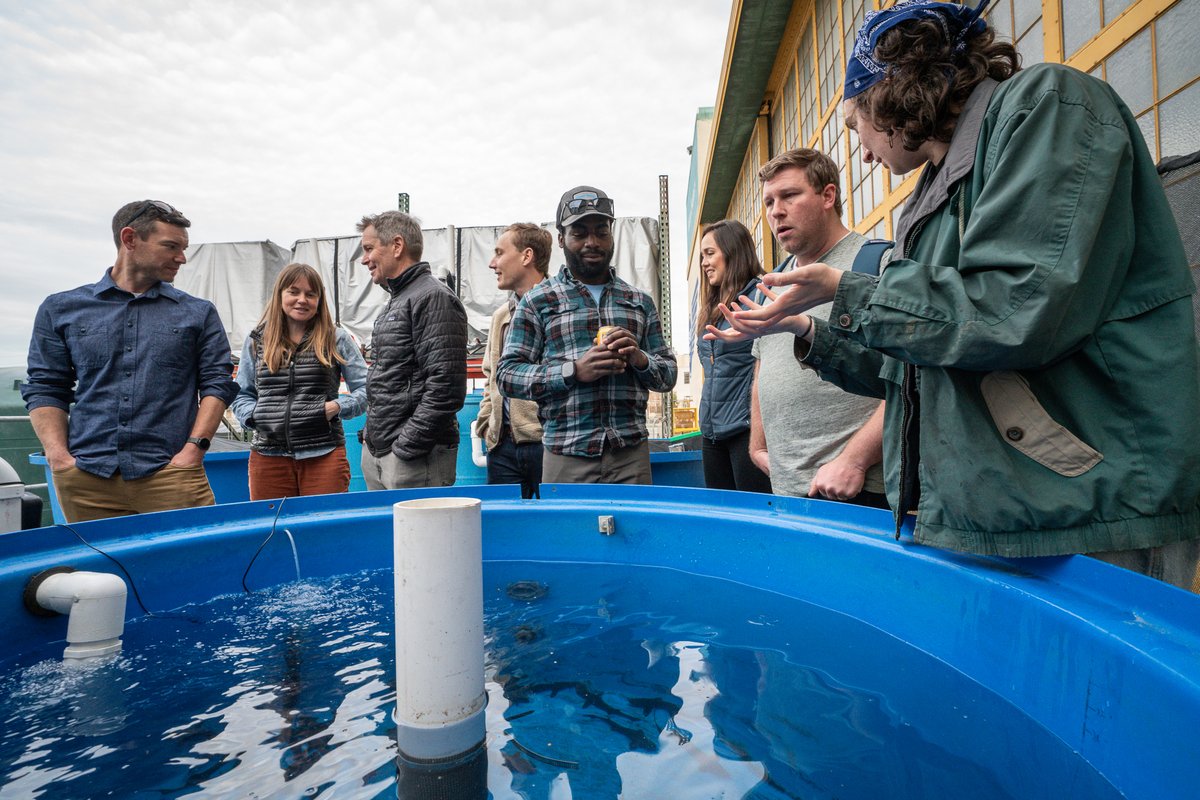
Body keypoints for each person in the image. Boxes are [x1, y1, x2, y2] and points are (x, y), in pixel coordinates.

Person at [710, 0, 1200, 586]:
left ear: (890, 93)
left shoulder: (1046, 104)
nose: (861, 151)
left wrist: (849, 291)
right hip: (1001, 511)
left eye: (855, 125)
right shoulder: (929, 197)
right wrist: (809, 327)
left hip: (1096, 507)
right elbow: (919, 362)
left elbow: (1014, 310)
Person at [22, 200, 238, 522]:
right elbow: (46, 385)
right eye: (171, 246)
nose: (181, 258)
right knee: (97, 558)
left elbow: (217, 384)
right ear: (130, 239)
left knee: (192, 555)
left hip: (171, 474)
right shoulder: (61, 309)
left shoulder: (198, 313)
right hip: (86, 479)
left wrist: (194, 450)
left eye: (183, 248)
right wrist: (58, 456)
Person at [496, 186, 677, 484]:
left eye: (601, 232)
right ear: (561, 238)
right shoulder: (538, 301)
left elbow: (668, 375)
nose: (592, 242)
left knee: (634, 518)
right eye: (579, 233)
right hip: (566, 455)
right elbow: (507, 375)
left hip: (630, 456)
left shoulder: (638, 301)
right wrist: (573, 371)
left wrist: (639, 358)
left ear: (611, 235)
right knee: (567, 519)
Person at [748, 149, 888, 507]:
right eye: (769, 201)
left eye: (789, 195)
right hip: (786, 487)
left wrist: (855, 460)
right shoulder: (770, 285)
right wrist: (757, 445)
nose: (776, 211)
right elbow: (763, 367)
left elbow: (911, 377)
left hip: (857, 487)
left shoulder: (877, 264)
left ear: (828, 196)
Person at [230, 263, 368, 500]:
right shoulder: (257, 340)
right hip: (268, 457)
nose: (302, 300)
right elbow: (241, 393)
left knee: (324, 521)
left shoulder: (335, 338)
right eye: (294, 292)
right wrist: (254, 416)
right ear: (280, 294)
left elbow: (367, 388)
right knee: (272, 522)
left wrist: (336, 407)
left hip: (324, 454)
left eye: (310, 294)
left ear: (319, 300)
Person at [357, 211, 468, 490]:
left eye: (369, 248)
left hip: (413, 458)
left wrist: (405, 448)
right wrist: (372, 437)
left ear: (397, 246)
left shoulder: (433, 297)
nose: (364, 259)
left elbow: (446, 388)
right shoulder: (399, 299)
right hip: (383, 452)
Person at [694, 220, 772, 493]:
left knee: (755, 513)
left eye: (710, 253)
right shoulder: (712, 308)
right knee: (721, 513)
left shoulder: (760, 297)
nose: (704, 262)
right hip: (711, 432)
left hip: (746, 430)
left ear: (733, 252)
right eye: (702, 255)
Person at [476, 223, 552, 498]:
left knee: (551, 520)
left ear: (526, 256)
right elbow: (491, 376)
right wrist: (488, 425)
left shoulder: (559, 309)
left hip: (546, 444)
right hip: (502, 448)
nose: (492, 263)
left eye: (499, 253)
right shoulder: (501, 316)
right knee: (503, 522)